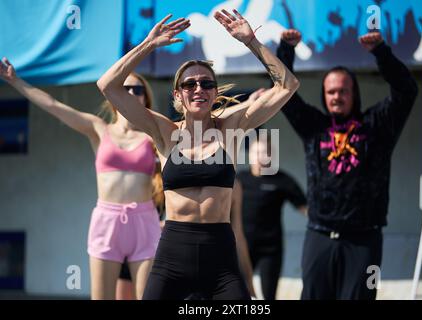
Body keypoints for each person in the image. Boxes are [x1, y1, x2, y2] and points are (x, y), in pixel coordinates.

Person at [97, 9, 299, 299]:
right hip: (171, 257)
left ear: (215, 93)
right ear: (178, 95)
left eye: (206, 83)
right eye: (189, 84)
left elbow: (288, 85)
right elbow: (107, 86)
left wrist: (251, 41)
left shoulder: (232, 127)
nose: (198, 88)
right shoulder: (164, 131)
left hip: (221, 261)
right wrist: (148, 44)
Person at [0, 59, 163, 300]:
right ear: (114, 97)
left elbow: (176, 175)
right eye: (124, 88)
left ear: (145, 99)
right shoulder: (99, 128)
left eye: (137, 90)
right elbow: (54, 105)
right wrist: (16, 81)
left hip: (145, 222)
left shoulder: (154, 136)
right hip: (107, 222)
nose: (130, 94)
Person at [276, 29, 418, 299]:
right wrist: (286, 49)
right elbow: (283, 93)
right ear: (324, 94)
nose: (336, 97)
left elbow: (407, 90)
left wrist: (381, 52)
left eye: (343, 91)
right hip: (318, 237)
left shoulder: (378, 126)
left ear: (354, 93)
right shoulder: (313, 127)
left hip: (364, 241)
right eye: (331, 91)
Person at [237, 138, 307, 300]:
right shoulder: (240, 179)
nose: (260, 157)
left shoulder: (281, 180)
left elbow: (305, 208)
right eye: (256, 153)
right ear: (250, 155)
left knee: (269, 295)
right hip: (243, 247)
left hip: (271, 249)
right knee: (238, 293)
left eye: (264, 153)